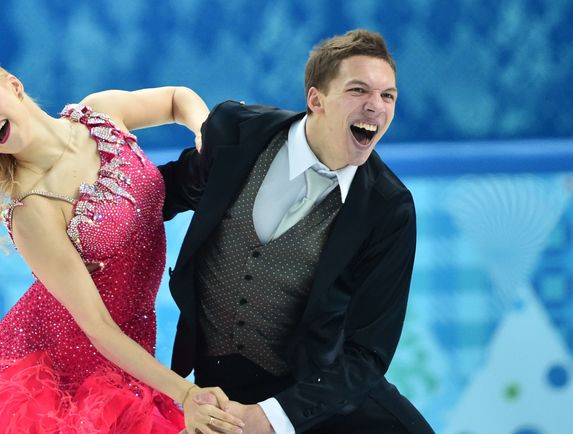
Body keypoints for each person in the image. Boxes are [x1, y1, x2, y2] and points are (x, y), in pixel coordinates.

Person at [0, 56, 245, 434]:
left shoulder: (98, 115)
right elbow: (97, 326)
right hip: (68, 369)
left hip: (130, 345)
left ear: (13, 84)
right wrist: (187, 395)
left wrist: (204, 133)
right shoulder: (32, 211)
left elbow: (177, 98)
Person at [159, 30, 435, 433]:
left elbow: (367, 353)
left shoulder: (388, 209)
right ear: (316, 99)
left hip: (326, 404)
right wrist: (81, 221)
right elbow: (159, 195)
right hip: (221, 388)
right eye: (359, 90)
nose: (376, 106)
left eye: (388, 96)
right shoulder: (237, 132)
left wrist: (271, 418)